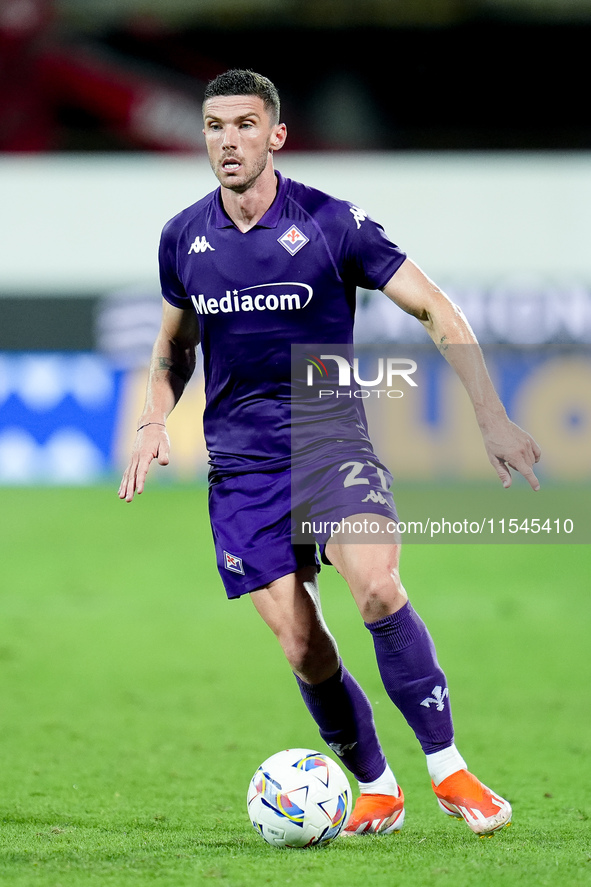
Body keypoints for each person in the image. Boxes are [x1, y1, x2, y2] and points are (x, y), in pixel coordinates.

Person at [119, 69, 541, 837]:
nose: (227, 140)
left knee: (376, 587)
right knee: (304, 645)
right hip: (241, 462)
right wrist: (154, 419)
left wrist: (491, 416)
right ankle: (377, 788)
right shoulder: (183, 236)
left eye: (244, 125)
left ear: (275, 135)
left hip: (326, 430)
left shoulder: (329, 222)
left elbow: (435, 309)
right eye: (214, 126)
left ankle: (449, 770)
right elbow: (172, 349)